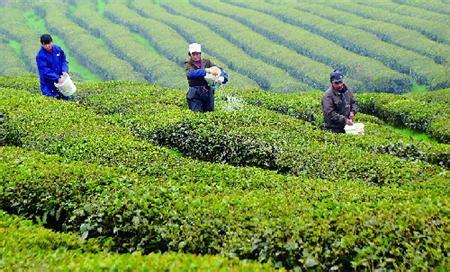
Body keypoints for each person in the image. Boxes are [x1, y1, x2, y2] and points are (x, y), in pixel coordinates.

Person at [184, 43, 228, 112]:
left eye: (197, 54)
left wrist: (223, 77)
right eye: (193, 54)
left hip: (208, 93)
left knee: (209, 113)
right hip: (195, 93)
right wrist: (205, 71)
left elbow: (219, 69)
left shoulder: (207, 62)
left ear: (200, 54)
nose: (195, 56)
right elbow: (190, 74)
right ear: (190, 54)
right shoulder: (188, 64)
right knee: (197, 114)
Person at [36, 34, 70, 100]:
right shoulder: (40, 56)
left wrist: (64, 71)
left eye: (49, 43)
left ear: (52, 42)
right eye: (45, 44)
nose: (47, 46)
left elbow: (64, 61)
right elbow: (45, 71)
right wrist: (57, 78)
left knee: (66, 101)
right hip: (48, 85)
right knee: (52, 101)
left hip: (61, 82)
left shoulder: (58, 49)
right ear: (42, 45)